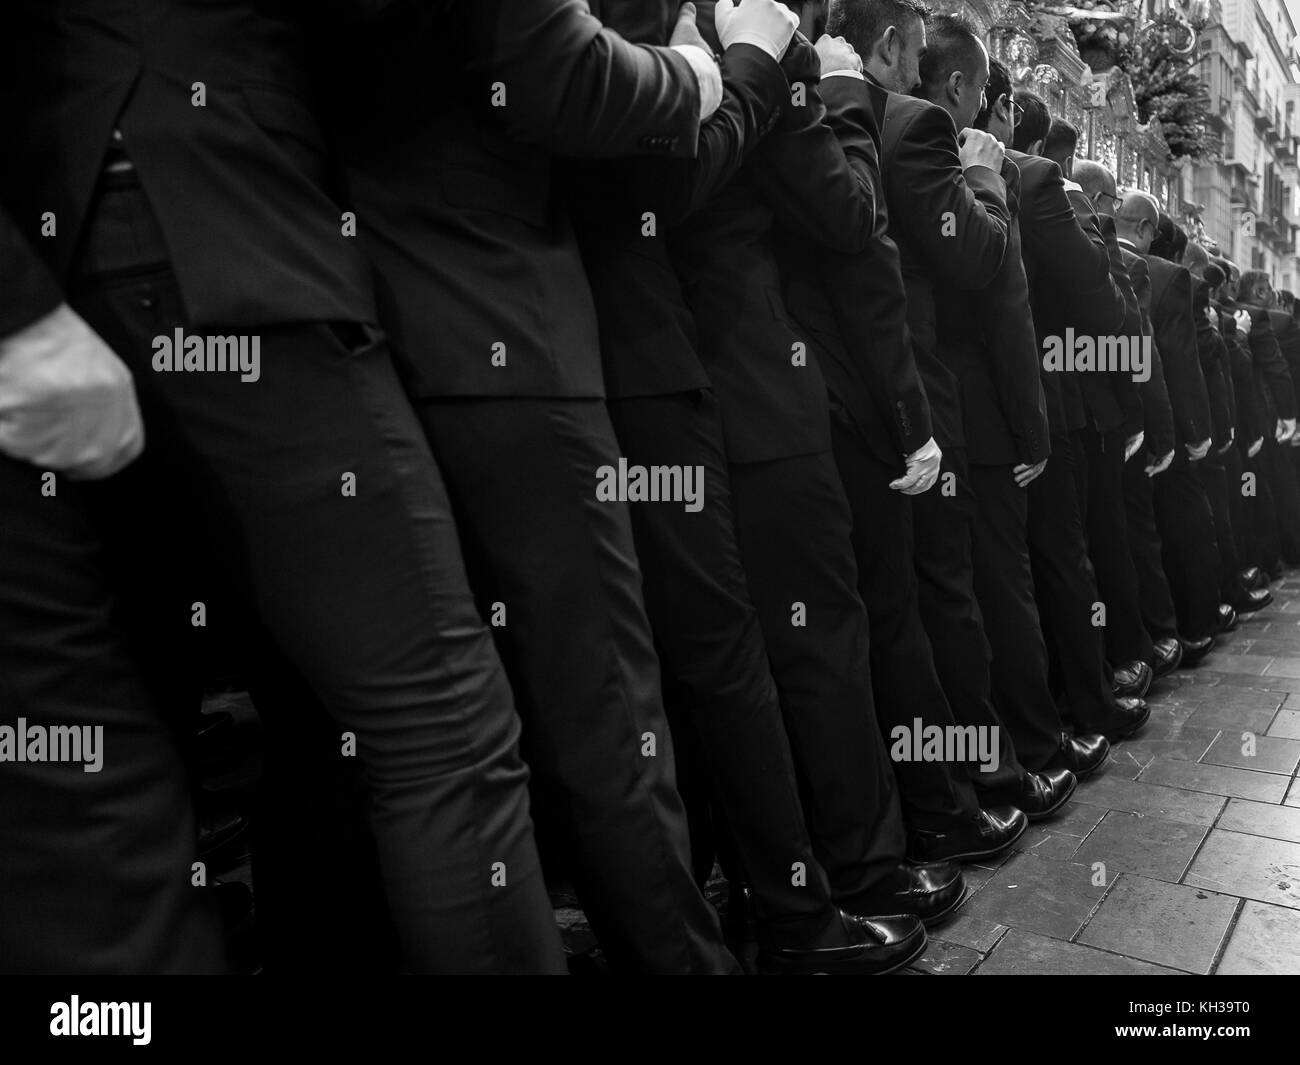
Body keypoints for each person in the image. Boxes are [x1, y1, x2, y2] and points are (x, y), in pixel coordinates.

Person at [564, 0, 927, 975]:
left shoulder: (621, 39)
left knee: (712, 664)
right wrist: (836, 94)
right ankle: (849, 874)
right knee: (811, 645)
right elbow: (849, 214)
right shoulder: (760, 49)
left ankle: (760, 882)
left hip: (649, 376)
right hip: (756, 383)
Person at [997, 83, 1149, 744]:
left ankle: (1056, 703)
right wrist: (1100, 229)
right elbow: (1106, 306)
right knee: (1066, 561)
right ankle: (1088, 703)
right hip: (1053, 405)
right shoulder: (1042, 186)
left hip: (975, 402)